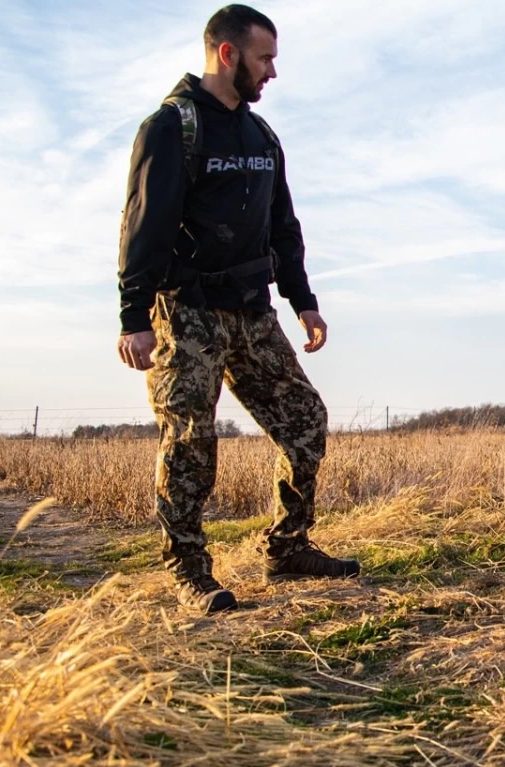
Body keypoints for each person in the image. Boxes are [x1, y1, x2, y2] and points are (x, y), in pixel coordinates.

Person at [116, 4, 358, 615]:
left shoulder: (262, 137)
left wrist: (302, 301)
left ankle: (287, 547)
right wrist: (134, 316)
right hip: (188, 311)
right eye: (264, 58)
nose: (272, 71)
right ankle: (189, 569)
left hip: (252, 311)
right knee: (189, 441)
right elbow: (143, 223)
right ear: (228, 54)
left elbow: (283, 226)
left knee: (305, 421)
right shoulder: (172, 127)